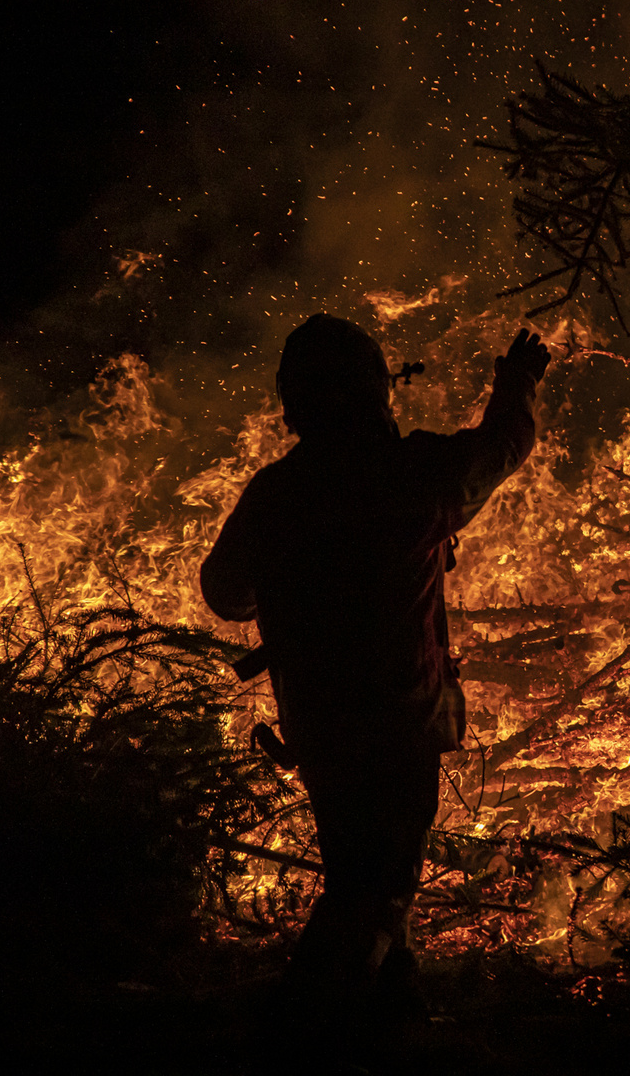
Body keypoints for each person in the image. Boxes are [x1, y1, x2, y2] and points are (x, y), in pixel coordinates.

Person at [200, 314, 549, 1025]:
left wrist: (291, 579)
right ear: (373, 393)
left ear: (293, 402)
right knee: (378, 890)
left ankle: (395, 1019)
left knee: (361, 873)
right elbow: (502, 447)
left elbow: (224, 592)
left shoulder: (276, 493)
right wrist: (515, 387)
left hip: (321, 728)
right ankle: (303, 1024)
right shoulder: (410, 475)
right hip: (398, 724)